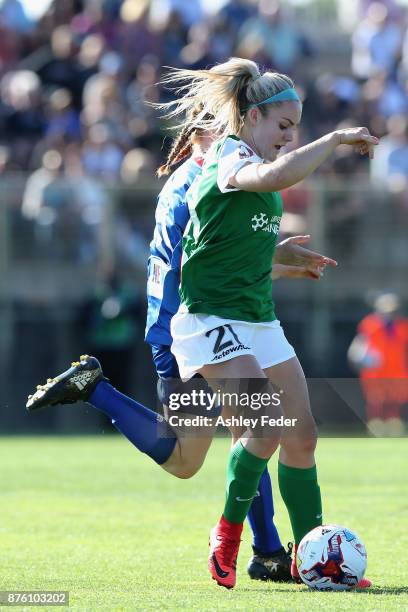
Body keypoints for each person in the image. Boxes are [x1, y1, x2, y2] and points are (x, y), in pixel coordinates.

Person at [26, 103, 337, 583]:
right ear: (204, 134)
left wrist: (277, 257)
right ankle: (96, 389)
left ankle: (270, 550)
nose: (237, 136)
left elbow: (210, 256)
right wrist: (276, 258)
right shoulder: (210, 174)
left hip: (181, 320)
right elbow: (207, 265)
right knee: (205, 449)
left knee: (229, 439)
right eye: (227, 127)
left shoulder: (189, 178)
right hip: (186, 326)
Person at [153, 57, 377, 588]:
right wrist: (335, 139)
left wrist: (283, 260)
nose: (288, 136)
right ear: (251, 118)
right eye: (282, 125)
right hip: (208, 321)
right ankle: (227, 535)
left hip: (255, 318)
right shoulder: (232, 157)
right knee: (268, 422)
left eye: (295, 128)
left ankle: (315, 560)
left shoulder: (256, 167)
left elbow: (234, 254)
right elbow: (275, 174)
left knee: (300, 434)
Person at [348, 292, 408, 437]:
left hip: (397, 370)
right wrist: (358, 357)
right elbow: (359, 345)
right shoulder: (369, 324)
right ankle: (376, 427)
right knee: (376, 400)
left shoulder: (403, 326)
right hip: (375, 370)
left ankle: (394, 426)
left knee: (395, 400)